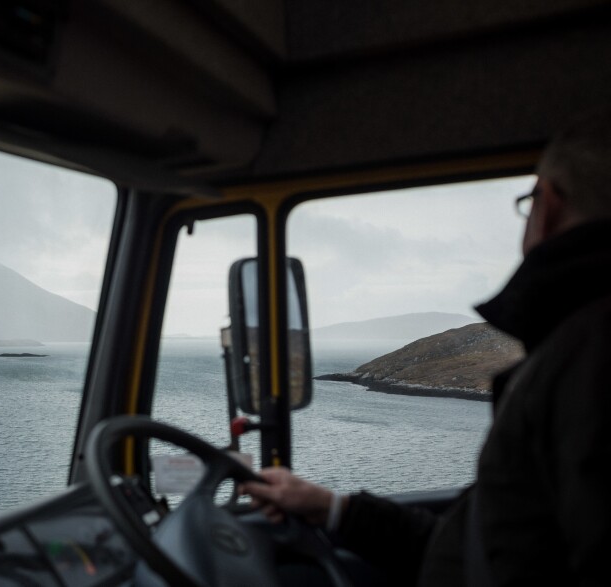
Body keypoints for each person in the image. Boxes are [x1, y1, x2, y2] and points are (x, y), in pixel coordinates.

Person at [241, 108, 611, 587]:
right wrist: (331, 508)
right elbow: (477, 547)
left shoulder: (589, 358)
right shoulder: (572, 352)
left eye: (526, 202)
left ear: (548, 205)